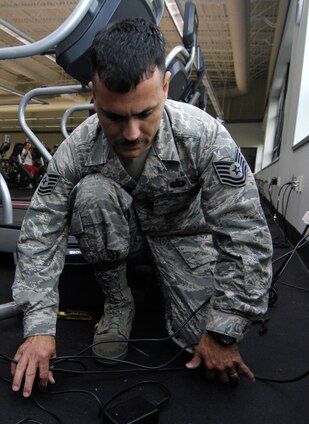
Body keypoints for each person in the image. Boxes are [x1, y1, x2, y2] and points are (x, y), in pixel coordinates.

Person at [11, 18, 273, 398]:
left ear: (165, 87)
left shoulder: (204, 137)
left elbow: (245, 231)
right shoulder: (78, 149)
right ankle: (119, 301)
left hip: (184, 234)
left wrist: (225, 325)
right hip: (121, 233)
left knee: (200, 341)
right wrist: (38, 327)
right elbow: (40, 233)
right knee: (91, 193)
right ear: (94, 97)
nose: (131, 133)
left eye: (145, 113)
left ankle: (172, 290)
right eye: (115, 116)